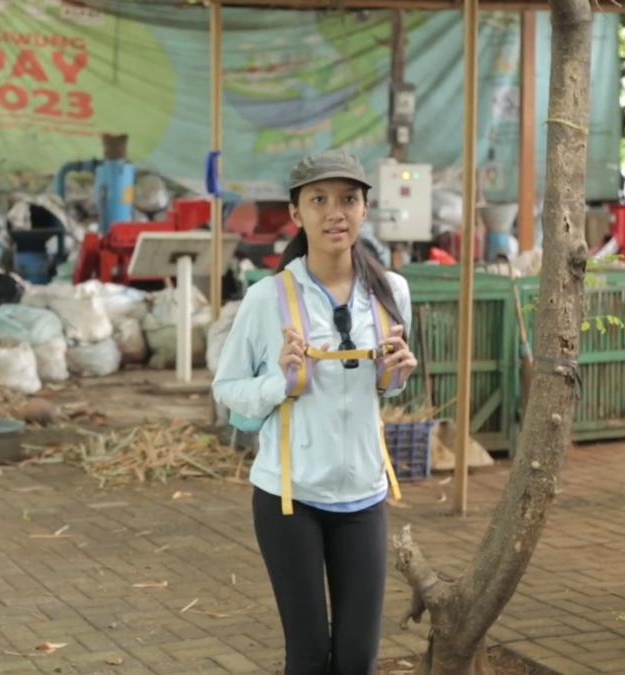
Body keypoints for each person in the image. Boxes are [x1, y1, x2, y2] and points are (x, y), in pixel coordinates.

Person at [212, 150, 418, 675]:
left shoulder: (392, 292)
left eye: (349, 199)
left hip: (364, 495)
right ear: (295, 213)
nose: (336, 213)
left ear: (365, 209)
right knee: (307, 657)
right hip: (290, 500)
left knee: (357, 658)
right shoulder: (266, 299)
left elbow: (386, 390)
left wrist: (396, 373)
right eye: (319, 200)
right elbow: (228, 389)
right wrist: (278, 382)